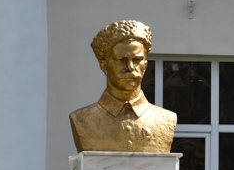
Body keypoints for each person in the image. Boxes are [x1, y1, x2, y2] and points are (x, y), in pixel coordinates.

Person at [70, 20, 177, 152]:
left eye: (137, 60)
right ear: (104, 66)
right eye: (121, 60)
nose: (130, 67)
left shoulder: (166, 119)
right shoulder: (82, 120)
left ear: (145, 66)